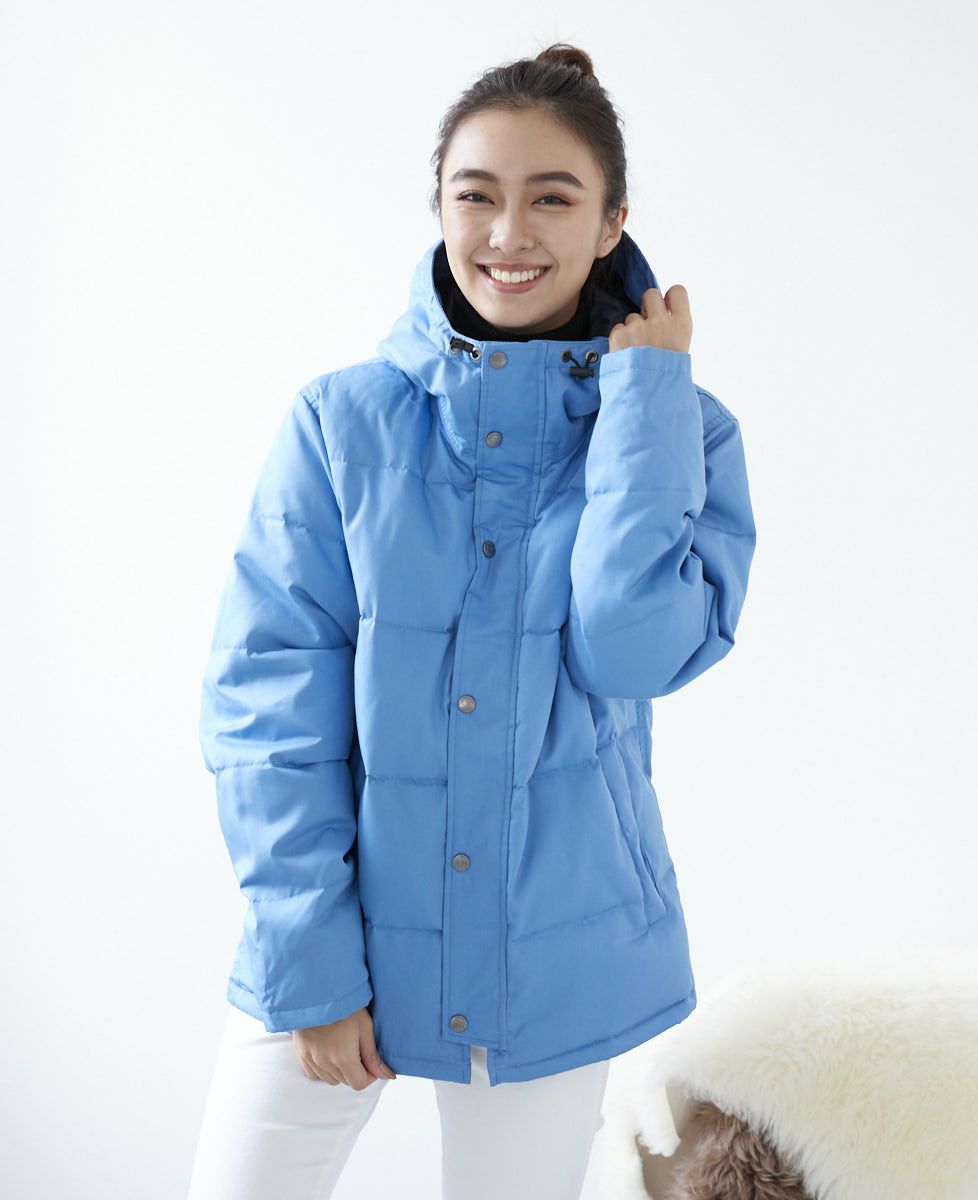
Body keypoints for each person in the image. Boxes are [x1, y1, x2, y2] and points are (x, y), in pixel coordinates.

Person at [188, 41, 757, 1200]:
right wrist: (311, 963)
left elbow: (631, 649)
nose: (508, 233)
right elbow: (266, 705)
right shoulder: (341, 424)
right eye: (476, 195)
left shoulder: (682, 431)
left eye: (552, 198)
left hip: (557, 946)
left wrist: (643, 409)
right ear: (438, 208)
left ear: (611, 223)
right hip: (335, 929)